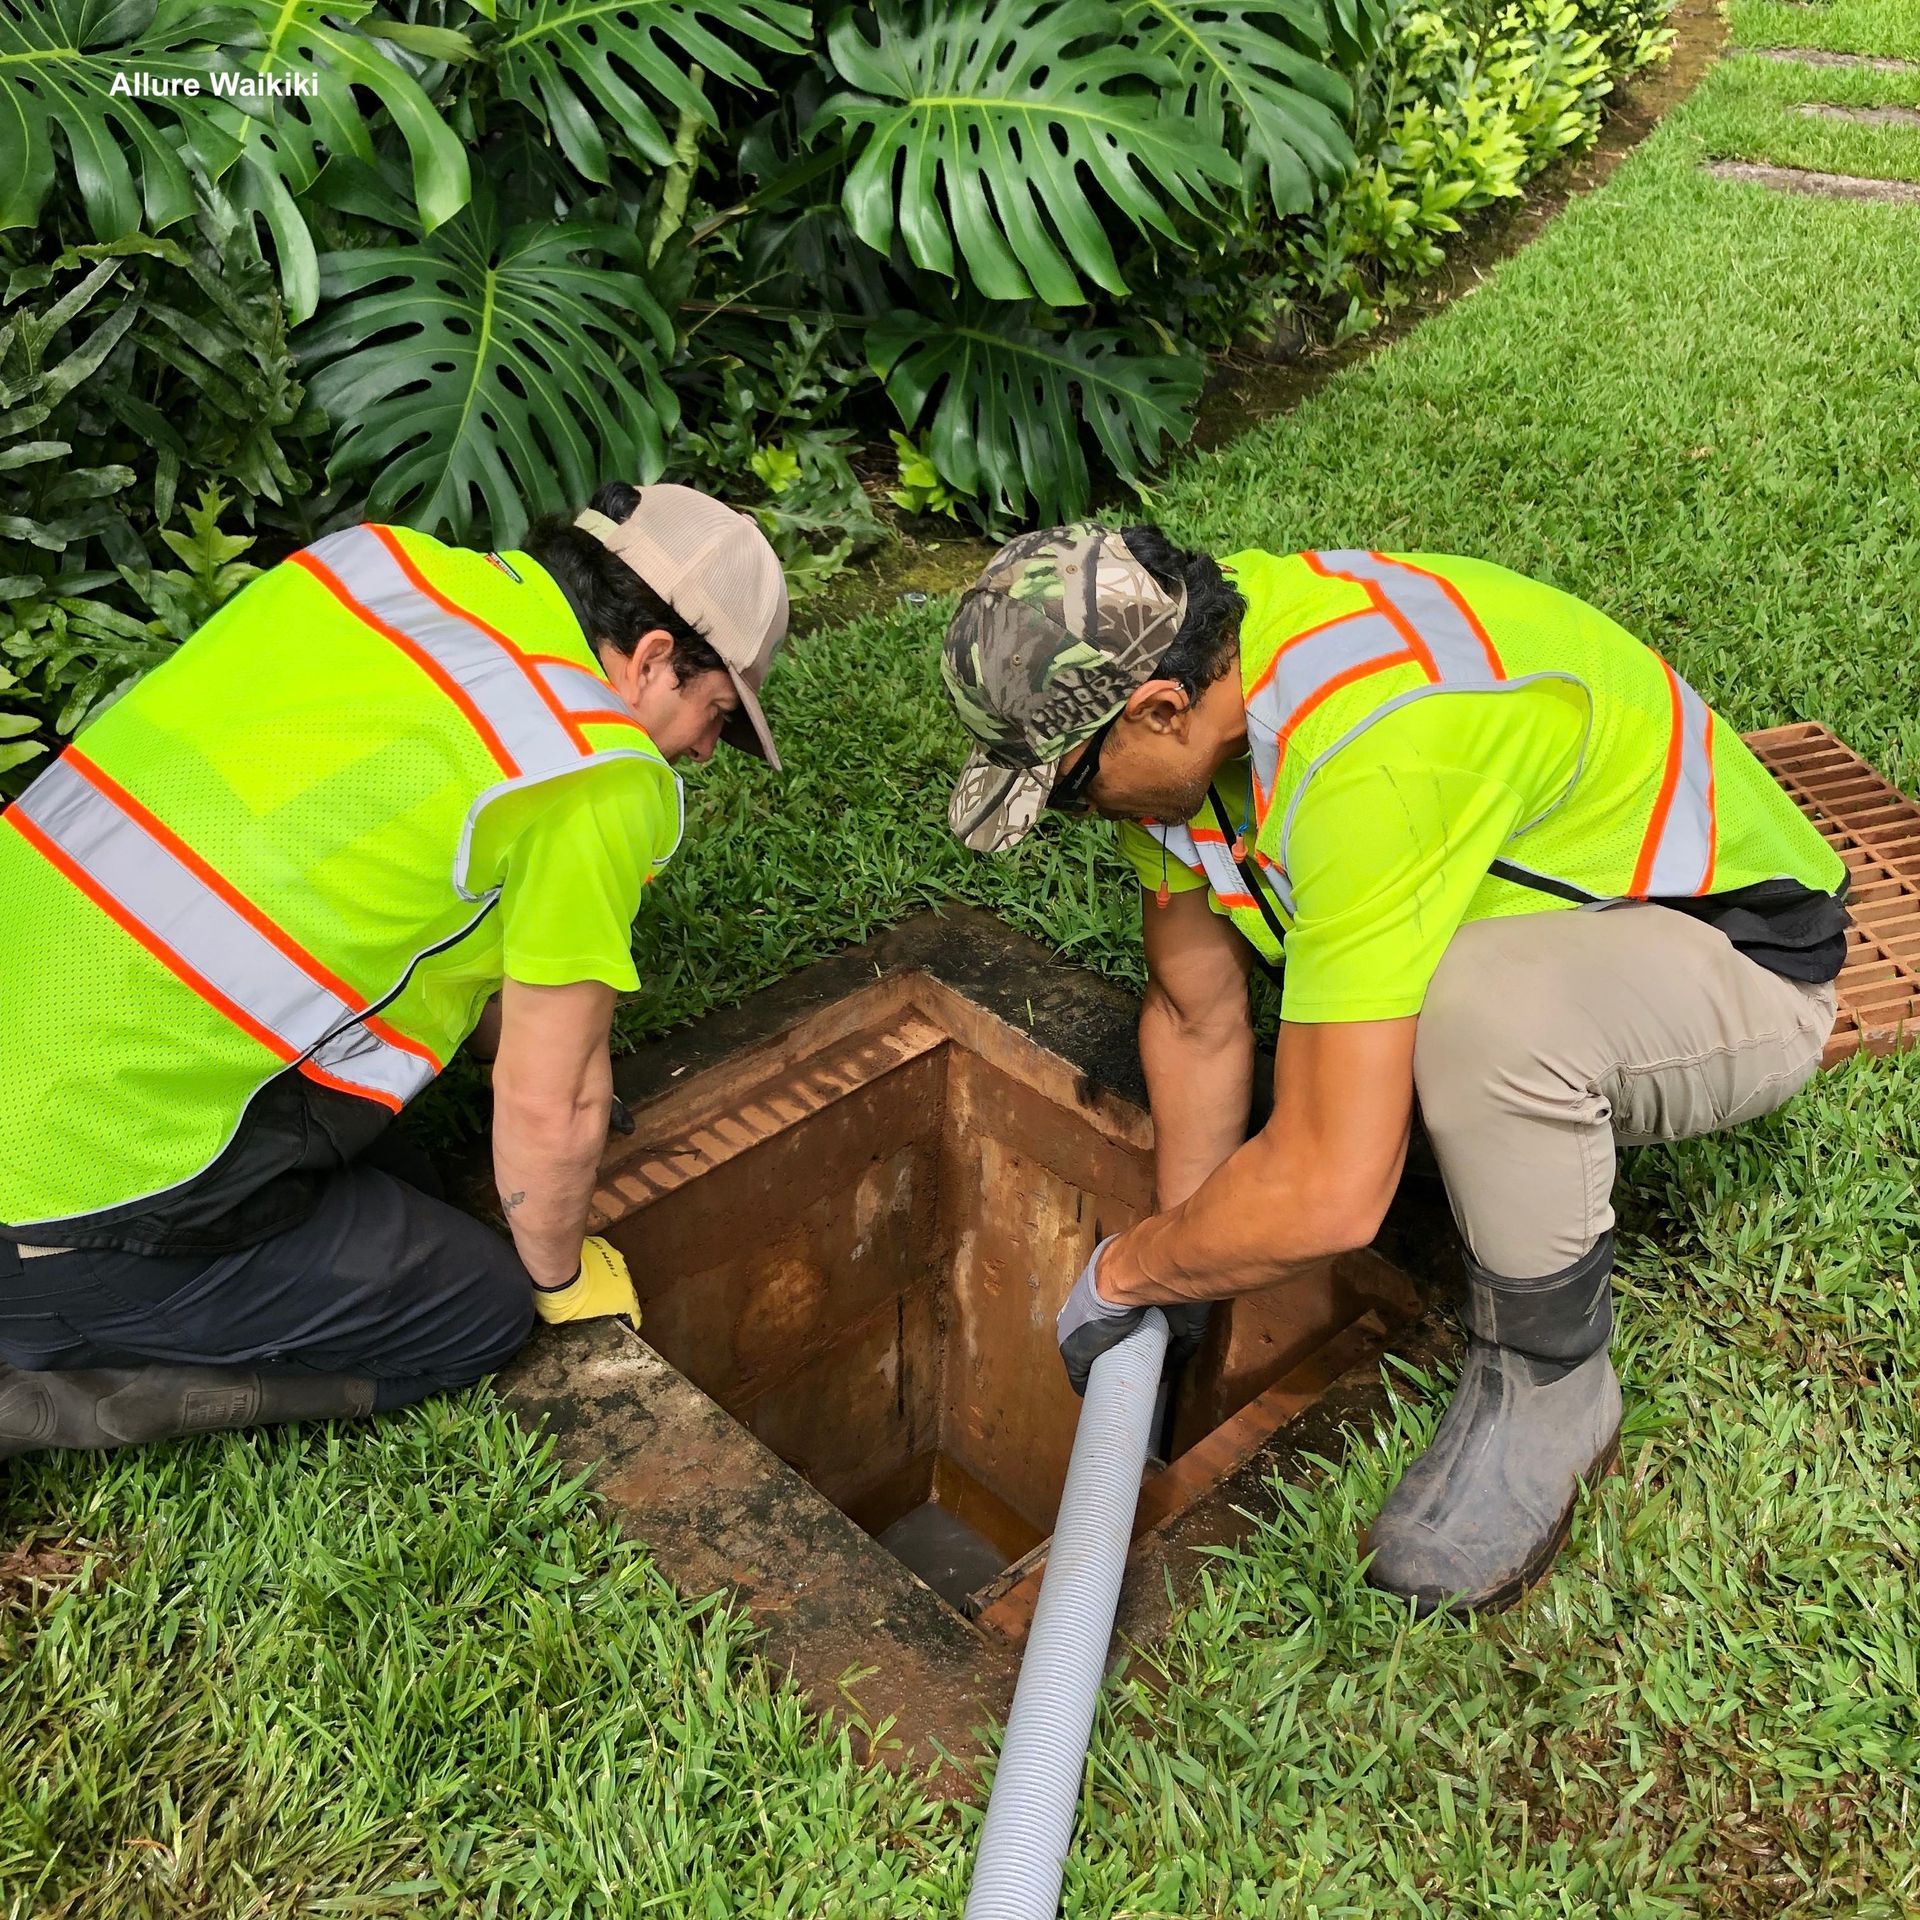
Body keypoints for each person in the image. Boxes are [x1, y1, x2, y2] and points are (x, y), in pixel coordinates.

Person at [942, 523, 1848, 1615]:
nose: (1083, 815)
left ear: (1158, 712)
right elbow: (1195, 1015)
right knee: (1400, 1034)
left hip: (1729, 966)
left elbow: (1332, 1190)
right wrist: (1189, 1259)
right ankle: (1472, 1127)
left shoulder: (1372, 750)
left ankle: (1553, 1388)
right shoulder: (1197, 678)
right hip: (1550, 937)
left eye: (1076, 788)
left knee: (1477, 1017)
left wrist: (1127, 1273)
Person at [0, 483, 789, 1456]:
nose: (706, 752)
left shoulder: (381, 570)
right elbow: (553, 1109)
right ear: (655, 658)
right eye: (715, 715)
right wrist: (561, 1280)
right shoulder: (591, 768)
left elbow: (355, 836)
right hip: (62, 1209)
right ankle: (74, 1385)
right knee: (473, 1309)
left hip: (44, 1021)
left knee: (404, 1179)